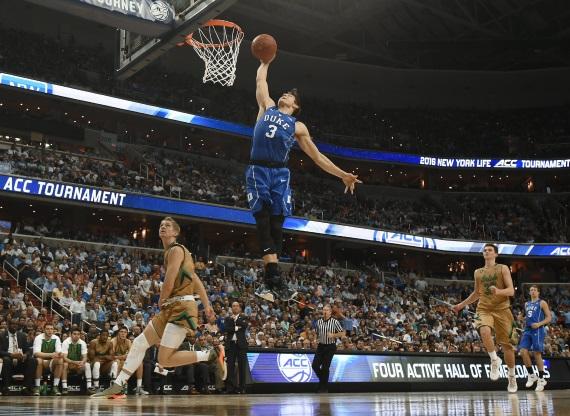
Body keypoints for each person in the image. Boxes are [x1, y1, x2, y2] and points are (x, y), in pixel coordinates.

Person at [249, 58, 362, 303]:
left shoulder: (297, 126)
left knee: (278, 224)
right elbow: (260, 80)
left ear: (296, 105)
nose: (285, 95)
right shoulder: (267, 106)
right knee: (263, 219)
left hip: (280, 173)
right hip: (259, 170)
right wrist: (265, 61)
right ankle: (272, 279)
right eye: (285, 93)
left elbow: (317, 156)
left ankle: (272, 283)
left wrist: (342, 174)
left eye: (289, 95)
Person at [92, 217, 217, 398]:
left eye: (167, 226)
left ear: (176, 232)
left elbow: (171, 277)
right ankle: (117, 386)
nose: (163, 227)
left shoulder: (175, 250)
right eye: (160, 225)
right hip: (175, 305)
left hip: (181, 307)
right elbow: (196, 280)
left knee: (164, 359)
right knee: (139, 343)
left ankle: (209, 354)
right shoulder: (181, 253)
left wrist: (162, 298)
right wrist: (207, 306)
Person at [453, 243, 517, 393]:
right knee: (484, 332)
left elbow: (510, 291)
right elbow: (477, 293)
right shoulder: (478, 272)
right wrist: (460, 305)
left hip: (503, 310)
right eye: (485, 250)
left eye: (490, 250)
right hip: (484, 308)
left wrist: (498, 291)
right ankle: (494, 359)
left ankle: (512, 376)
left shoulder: (503, 268)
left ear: (496, 254)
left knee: (508, 346)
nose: (486, 252)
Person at [518, 285, 551, 392]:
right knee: (523, 351)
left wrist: (539, 324)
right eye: (531, 290)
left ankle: (541, 378)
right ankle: (532, 375)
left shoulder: (542, 303)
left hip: (538, 329)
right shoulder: (526, 304)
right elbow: (527, 317)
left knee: (537, 353)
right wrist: (521, 318)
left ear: (538, 292)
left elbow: (549, 318)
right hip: (527, 329)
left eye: (535, 290)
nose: (532, 292)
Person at [312, 304, 345, 393]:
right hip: (321, 346)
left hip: (330, 346)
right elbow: (316, 332)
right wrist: (315, 339)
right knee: (314, 365)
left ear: (330, 312)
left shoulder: (335, 322)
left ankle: (324, 387)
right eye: (323, 310)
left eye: (327, 310)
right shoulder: (318, 321)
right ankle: (323, 382)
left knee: (325, 367)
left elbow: (342, 333)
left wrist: (333, 335)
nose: (325, 311)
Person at [0, 319, 36, 395]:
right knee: (6, 359)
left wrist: (25, 355)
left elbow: (28, 350)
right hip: (8, 360)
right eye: (13, 324)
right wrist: (11, 355)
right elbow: (0, 351)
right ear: (8, 325)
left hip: (21, 360)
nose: (15, 326)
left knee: (32, 360)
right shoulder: (2, 335)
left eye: (16, 324)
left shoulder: (22, 335)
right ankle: (5, 388)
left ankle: (27, 387)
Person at [111, 326, 148, 395]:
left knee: (139, 363)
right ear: (118, 333)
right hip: (113, 362)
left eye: (125, 332)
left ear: (127, 334)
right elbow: (111, 357)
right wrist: (122, 357)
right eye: (121, 332)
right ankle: (116, 387)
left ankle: (139, 387)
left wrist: (125, 357)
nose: (123, 334)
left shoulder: (128, 342)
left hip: (124, 361)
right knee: (118, 362)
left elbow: (132, 355)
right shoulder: (113, 341)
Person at [224, 301, 248, 394]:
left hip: (241, 345)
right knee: (230, 366)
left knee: (242, 367)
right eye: (233, 306)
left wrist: (236, 320)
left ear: (240, 308)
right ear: (231, 308)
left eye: (237, 306)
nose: (235, 307)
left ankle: (242, 388)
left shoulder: (244, 317)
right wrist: (236, 328)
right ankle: (230, 388)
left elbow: (245, 325)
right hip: (231, 345)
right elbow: (226, 329)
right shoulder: (227, 319)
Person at [32, 323, 63, 395]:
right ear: (44, 330)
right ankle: (37, 386)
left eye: (51, 329)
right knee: (38, 360)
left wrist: (59, 354)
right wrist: (51, 354)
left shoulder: (56, 338)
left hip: (51, 362)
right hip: (41, 361)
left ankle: (55, 386)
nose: (50, 331)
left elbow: (58, 353)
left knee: (60, 360)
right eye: (48, 329)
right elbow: (36, 353)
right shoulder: (38, 338)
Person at [61, 327, 92, 394]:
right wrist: (73, 362)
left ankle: (89, 387)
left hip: (78, 365)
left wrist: (82, 362)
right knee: (64, 364)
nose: (77, 336)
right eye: (74, 334)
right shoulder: (65, 342)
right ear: (70, 334)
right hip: (69, 363)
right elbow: (64, 358)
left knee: (87, 364)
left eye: (78, 334)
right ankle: (64, 387)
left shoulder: (82, 343)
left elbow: (85, 357)